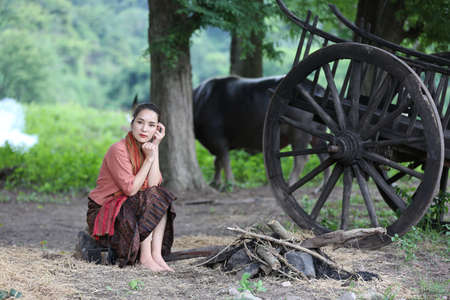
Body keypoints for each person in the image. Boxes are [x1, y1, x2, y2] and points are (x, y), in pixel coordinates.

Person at [86, 103, 176, 272]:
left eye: (151, 125)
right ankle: (145, 257)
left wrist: (155, 148)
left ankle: (156, 255)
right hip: (105, 211)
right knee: (150, 197)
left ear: (157, 129)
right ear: (132, 123)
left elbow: (154, 185)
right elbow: (131, 190)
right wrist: (148, 160)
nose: (144, 129)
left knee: (160, 197)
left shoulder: (148, 148)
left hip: (128, 207)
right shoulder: (118, 150)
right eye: (140, 122)